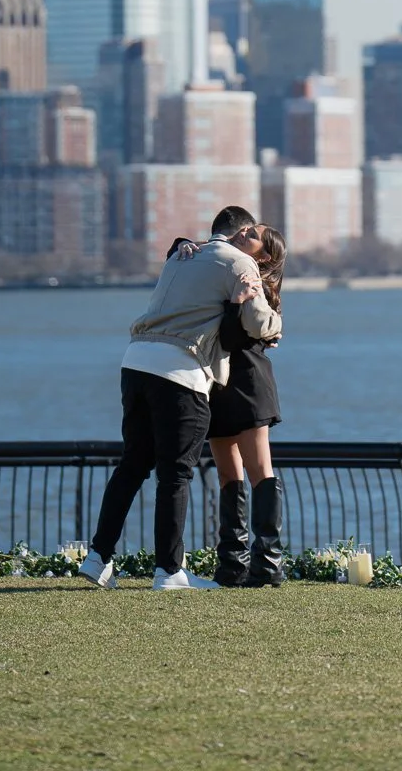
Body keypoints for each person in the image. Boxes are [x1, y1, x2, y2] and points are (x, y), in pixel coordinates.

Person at [79, 206, 281, 592]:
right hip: (180, 371)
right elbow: (258, 324)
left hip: (135, 362)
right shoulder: (240, 263)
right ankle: (169, 571)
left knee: (132, 465)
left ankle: (98, 558)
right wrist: (276, 326)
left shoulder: (181, 255)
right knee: (175, 474)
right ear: (243, 231)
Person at [208, 224, 287, 588]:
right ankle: (231, 564)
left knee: (260, 471)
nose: (244, 231)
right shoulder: (230, 272)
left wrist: (237, 305)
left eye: (253, 234)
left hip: (249, 382)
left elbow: (239, 333)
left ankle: (268, 563)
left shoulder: (256, 284)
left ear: (264, 255)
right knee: (228, 475)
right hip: (218, 383)